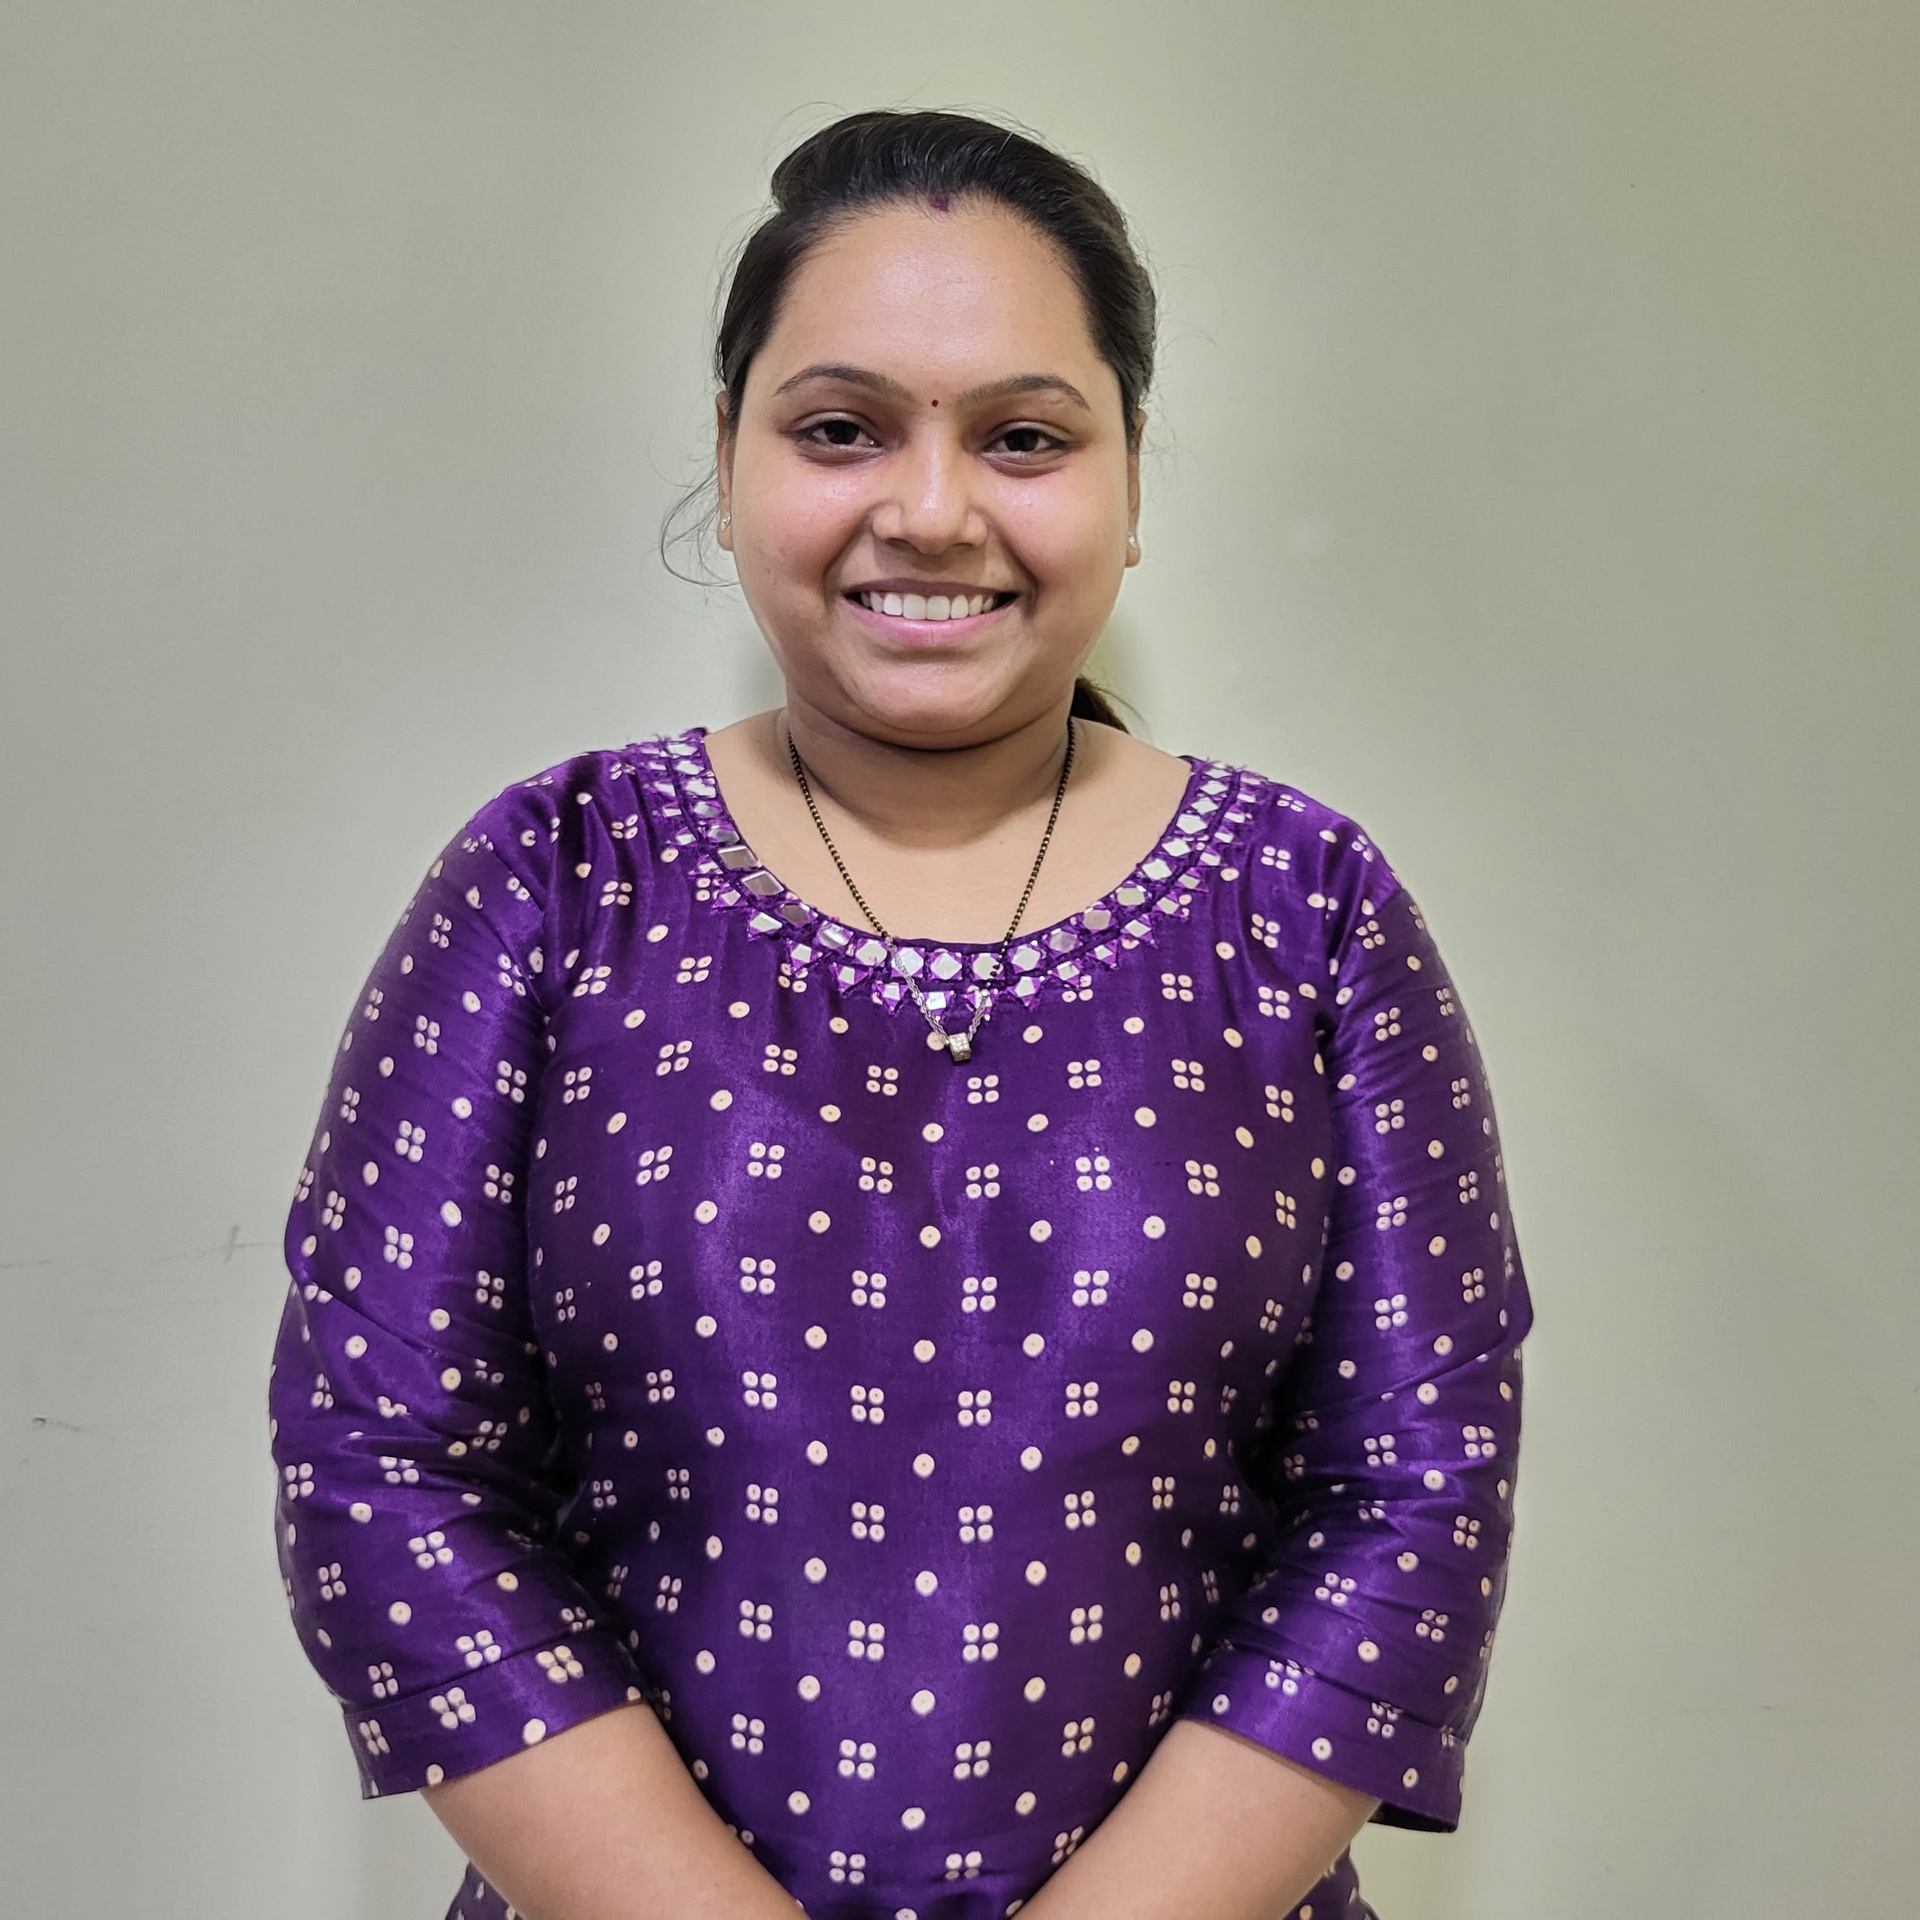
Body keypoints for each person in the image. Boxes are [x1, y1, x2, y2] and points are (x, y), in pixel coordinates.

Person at [267, 109, 1533, 1920]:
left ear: (1131, 481)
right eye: (842, 428)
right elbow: (387, 1472)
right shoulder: (552, 881)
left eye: (1024, 437)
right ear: (729, 459)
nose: (931, 509)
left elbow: (1414, 1496)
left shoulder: (1309, 912)